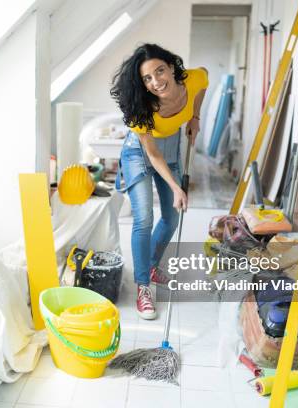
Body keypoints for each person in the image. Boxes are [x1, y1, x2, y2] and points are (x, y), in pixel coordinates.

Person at [111, 43, 208, 319]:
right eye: (147, 78)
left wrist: (195, 117)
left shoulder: (193, 79)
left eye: (160, 71)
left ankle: (150, 265)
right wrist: (176, 187)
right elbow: (152, 154)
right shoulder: (140, 109)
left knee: (172, 218)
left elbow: (205, 81)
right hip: (139, 155)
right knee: (144, 219)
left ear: (171, 67)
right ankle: (143, 286)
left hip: (172, 148)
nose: (156, 82)